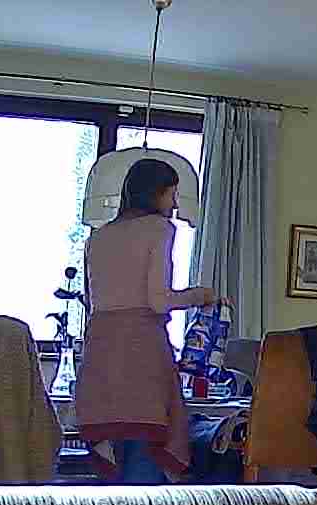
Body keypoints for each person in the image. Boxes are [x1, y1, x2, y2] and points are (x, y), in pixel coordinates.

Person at [76, 158, 218, 484]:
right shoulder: (159, 228)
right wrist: (202, 295)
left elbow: (92, 301)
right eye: (172, 194)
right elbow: (159, 300)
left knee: (115, 459)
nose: (175, 204)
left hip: (100, 353)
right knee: (146, 459)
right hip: (141, 351)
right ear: (155, 193)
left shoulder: (97, 237)